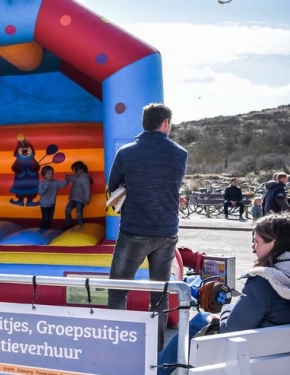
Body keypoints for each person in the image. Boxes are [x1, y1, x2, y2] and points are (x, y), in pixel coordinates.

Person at [156, 213, 290, 375]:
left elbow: (230, 329)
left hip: (251, 359)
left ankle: (156, 370)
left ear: (274, 243)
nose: (253, 248)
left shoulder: (264, 281)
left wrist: (227, 307)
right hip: (278, 359)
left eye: (256, 242)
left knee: (201, 319)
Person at [107, 103, 188, 349]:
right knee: (159, 293)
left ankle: (118, 345)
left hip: (133, 231)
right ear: (165, 123)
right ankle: (156, 350)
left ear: (144, 123)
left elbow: (113, 187)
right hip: (166, 232)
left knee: (118, 289)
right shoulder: (180, 153)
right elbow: (169, 184)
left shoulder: (126, 152)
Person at [37, 165, 69, 230]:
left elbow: (63, 184)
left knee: (50, 219)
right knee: (45, 219)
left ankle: (47, 230)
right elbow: (40, 192)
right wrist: (45, 188)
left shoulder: (55, 182)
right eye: (49, 173)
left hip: (52, 204)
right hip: (44, 204)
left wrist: (67, 179)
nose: (51, 175)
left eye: (52, 173)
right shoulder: (42, 183)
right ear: (44, 176)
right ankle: (41, 231)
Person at [64, 161, 91, 231]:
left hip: (80, 199)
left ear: (81, 170)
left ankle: (81, 226)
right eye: (73, 170)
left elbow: (87, 189)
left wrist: (87, 199)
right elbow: (74, 180)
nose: (74, 172)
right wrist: (69, 177)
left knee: (79, 213)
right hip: (73, 198)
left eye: (75, 170)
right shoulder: (77, 177)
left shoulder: (84, 178)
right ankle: (69, 224)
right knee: (68, 209)